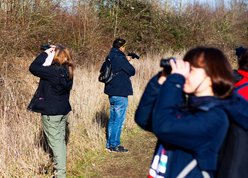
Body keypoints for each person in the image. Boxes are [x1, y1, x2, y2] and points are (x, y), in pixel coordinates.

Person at [135, 47, 248, 178]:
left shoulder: (216, 117)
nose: (185, 74)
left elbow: (164, 127)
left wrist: (175, 82)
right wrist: (160, 80)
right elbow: (144, 119)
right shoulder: (190, 106)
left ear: (212, 75)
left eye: (191, 70)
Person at [27, 44, 74, 178]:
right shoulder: (67, 70)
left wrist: (45, 54)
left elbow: (33, 68)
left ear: (56, 55)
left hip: (51, 113)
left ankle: (60, 174)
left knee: (56, 143)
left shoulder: (53, 71)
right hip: (62, 110)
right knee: (60, 141)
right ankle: (59, 171)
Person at [100, 38, 135, 153]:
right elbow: (132, 71)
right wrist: (127, 61)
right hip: (120, 93)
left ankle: (110, 144)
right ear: (121, 47)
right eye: (124, 47)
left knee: (113, 118)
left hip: (111, 92)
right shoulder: (120, 58)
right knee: (119, 120)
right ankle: (114, 145)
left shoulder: (110, 57)